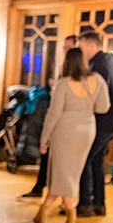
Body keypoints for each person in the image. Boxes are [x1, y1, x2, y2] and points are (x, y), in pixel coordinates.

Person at [35, 48, 110, 223]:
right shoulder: (98, 80)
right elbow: (103, 108)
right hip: (87, 130)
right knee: (72, 172)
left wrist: (44, 138)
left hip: (65, 131)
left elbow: (53, 115)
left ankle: (68, 212)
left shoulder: (63, 84)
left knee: (61, 171)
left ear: (67, 63)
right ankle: (48, 210)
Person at [77, 31, 113, 216]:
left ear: (92, 45)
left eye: (81, 46)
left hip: (103, 119)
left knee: (84, 159)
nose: (80, 50)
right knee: (96, 161)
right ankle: (99, 204)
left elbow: (93, 96)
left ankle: (85, 204)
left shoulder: (97, 65)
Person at [21, 35, 79, 199]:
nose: (64, 51)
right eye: (64, 47)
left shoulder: (78, 75)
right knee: (48, 158)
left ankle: (63, 201)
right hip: (58, 122)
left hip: (67, 126)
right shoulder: (63, 69)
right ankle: (41, 188)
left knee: (63, 165)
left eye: (68, 48)